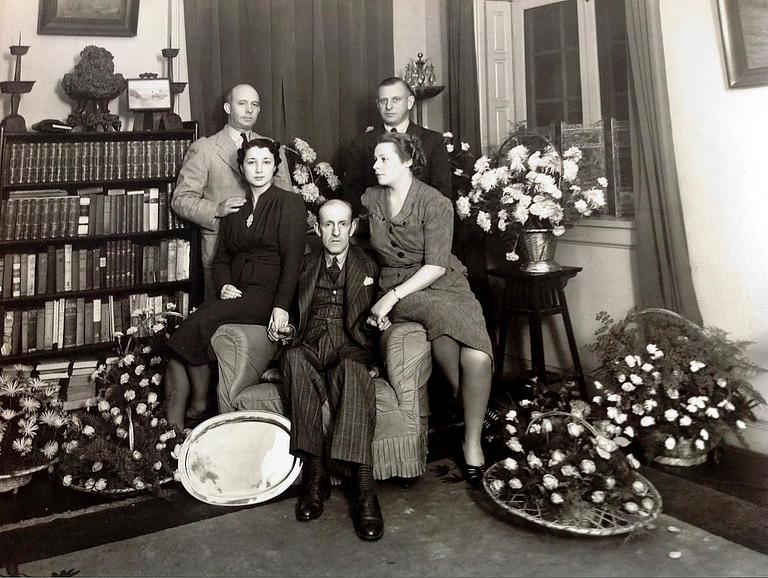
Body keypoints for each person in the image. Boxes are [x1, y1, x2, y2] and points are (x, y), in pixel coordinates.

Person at [363, 132, 493, 488]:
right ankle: (475, 427)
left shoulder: (435, 202)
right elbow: (353, 232)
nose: (375, 166)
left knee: (476, 358)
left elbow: (436, 265)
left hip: (443, 282)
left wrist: (390, 299)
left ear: (407, 161)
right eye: (375, 159)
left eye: (384, 159)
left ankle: (471, 437)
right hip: (405, 286)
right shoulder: (371, 198)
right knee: (449, 338)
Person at [164, 138, 306, 431]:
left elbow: (293, 261)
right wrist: (225, 284)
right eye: (251, 162)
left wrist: (281, 307)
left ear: (275, 167)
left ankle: (197, 406)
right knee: (179, 347)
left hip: (268, 296)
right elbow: (221, 259)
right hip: (237, 294)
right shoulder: (234, 207)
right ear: (241, 167)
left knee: (192, 328)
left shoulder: (289, 203)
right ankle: (174, 433)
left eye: (266, 162)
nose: (259, 169)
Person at [279, 199, 385, 541]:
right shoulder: (305, 265)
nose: (336, 232)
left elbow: (379, 317)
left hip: (349, 343)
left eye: (343, 224)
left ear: (353, 228)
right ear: (318, 228)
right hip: (310, 341)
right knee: (293, 360)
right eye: (328, 225)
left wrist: (380, 324)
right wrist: (286, 331)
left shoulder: (370, 264)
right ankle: (315, 475)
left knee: (354, 372)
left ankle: (365, 490)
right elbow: (294, 317)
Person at [171, 83, 292, 300]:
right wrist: (216, 209)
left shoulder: (272, 148)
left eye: (254, 105)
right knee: (220, 321)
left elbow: (286, 199)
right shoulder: (205, 149)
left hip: (265, 257)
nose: (249, 110)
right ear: (228, 108)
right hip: (221, 255)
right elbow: (180, 199)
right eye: (242, 103)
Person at [341, 77, 451, 217]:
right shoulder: (361, 143)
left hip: (420, 228)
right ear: (377, 104)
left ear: (410, 102)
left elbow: (442, 194)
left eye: (396, 99)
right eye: (383, 101)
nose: (388, 107)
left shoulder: (433, 141)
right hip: (373, 227)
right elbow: (351, 193)